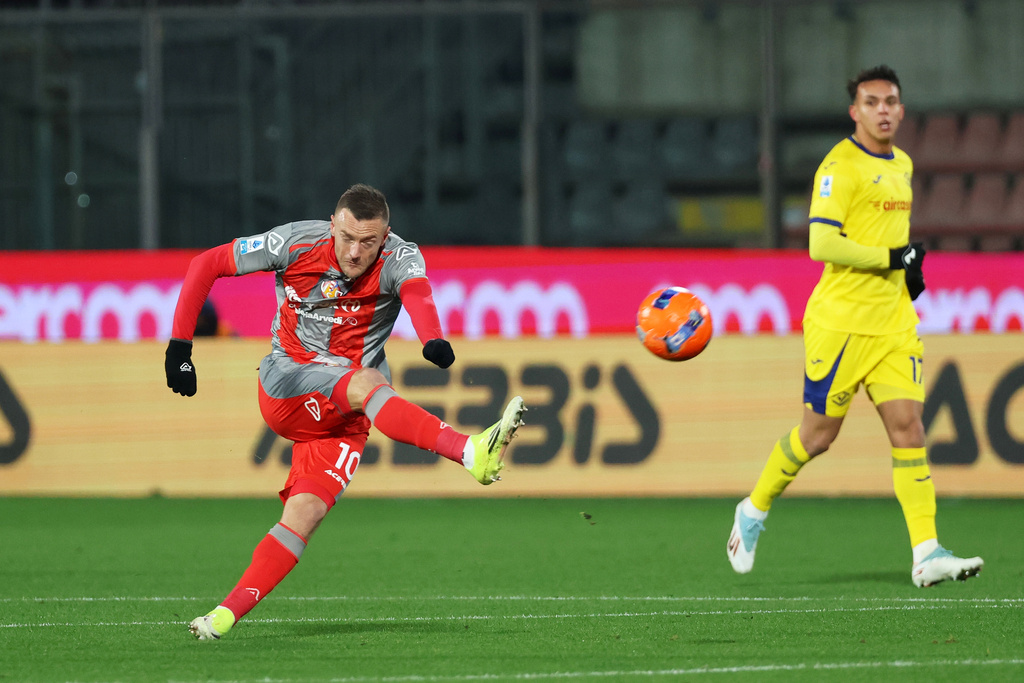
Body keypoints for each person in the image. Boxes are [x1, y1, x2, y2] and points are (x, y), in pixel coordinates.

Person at [164, 183, 527, 639]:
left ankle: (223, 616)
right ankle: (471, 453)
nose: (355, 252)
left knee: (305, 515)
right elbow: (206, 264)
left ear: (386, 235)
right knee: (371, 381)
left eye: (368, 242)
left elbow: (418, 293)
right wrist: (179, 347)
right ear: (332, 224)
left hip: (345, 415)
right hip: (288, 385)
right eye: (347, 238)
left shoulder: (401, 257)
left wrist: (432, 337)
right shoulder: (295, 243)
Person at [726, 65, 983, 587]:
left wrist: (906, 272)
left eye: (891, 101)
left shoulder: (904, 165)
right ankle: (752, 511)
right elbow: (822, 244)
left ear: (902, 109)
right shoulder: (838, 167)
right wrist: (893, 256)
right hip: (840, 324)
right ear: (855, 111)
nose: (883, 110)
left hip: (891, 324)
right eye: (872, 102)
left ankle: (926, 552)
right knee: (817, 437)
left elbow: (889, 241)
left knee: (908, 429)